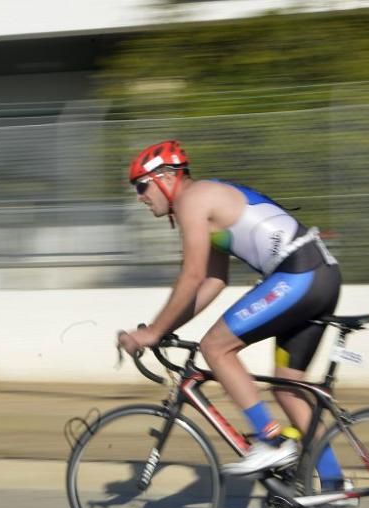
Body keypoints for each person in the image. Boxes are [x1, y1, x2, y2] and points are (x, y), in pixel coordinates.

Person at [116, 139, 344, 481]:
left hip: (299, 275)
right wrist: (161, 329)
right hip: (319, 276)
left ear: (164, 176)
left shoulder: (193, 199)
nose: (140, 196)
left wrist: (151, 333)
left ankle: (270, 440)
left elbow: (191, 276)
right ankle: (335, 484)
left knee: (215, 347)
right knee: (286, 389)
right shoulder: (207, 200)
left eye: (142, 185)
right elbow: (212, 280)